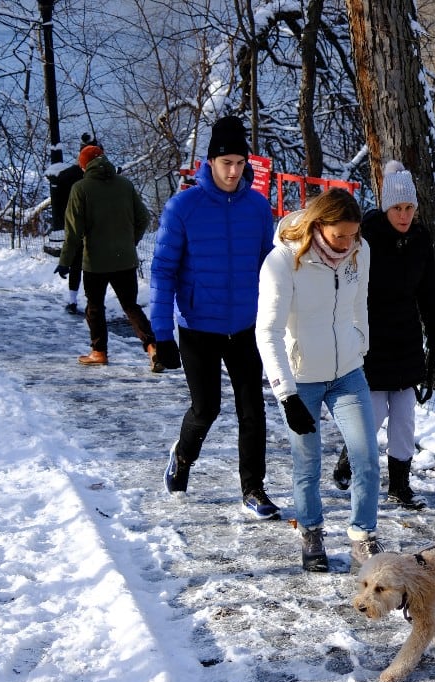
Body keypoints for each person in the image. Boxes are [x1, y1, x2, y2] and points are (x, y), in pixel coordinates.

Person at [150, 115, 278, 519]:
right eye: (226, 163)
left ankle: (253, 488)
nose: (234, 171)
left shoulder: (257, 208)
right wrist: (161, 334)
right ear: (211, 162)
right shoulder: (183, 207)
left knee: (252, 409)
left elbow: (269, 267)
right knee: (206, 408)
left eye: (240, 163)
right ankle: (183, 456)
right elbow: (162, 271)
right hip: (198, 327)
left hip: (245, 325)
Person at [256, 186, 383, 572]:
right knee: (307, 462)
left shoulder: (360, 251)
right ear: (318, 225)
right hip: (301, 380)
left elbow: (360, 303)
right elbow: (267, 332)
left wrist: (360, 344)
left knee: (366, 457)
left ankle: (363, 537)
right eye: (339, 235)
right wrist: (286, 394)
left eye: (353, 234)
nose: (347, 243)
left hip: (348, 373)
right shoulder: (282, 261)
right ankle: (311, 530)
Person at [332, 160, 435, 510]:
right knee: (373, 414)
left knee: (404, 418)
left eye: (410, 207)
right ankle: (349, 458)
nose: (404, 215)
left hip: (407, 339)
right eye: (398, 208)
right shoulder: (367, 236)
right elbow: (346, 287)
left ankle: (400, 485)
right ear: (386, 207)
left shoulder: (420, 238)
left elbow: (429, 294)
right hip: (371, 338)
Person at [56, 144, 159, 368]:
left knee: (95, 307)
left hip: (95, 262)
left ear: (84, 166)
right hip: (125, 259)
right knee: (130, 305)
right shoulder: (125, 184)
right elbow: (143, 218)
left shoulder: (80, 188)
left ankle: (99, 352)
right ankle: (153, 347)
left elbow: (73, 231)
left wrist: (65, 261)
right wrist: (130, 241)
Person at [47, 133, 99, 315]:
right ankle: (93, 302)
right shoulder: (101, 178)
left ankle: (72, 300)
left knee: (76, 263)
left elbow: (59, 199)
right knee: (93, 267)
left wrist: (63, 219)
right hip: (96, 226)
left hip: (74, 224)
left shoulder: (67, 175)